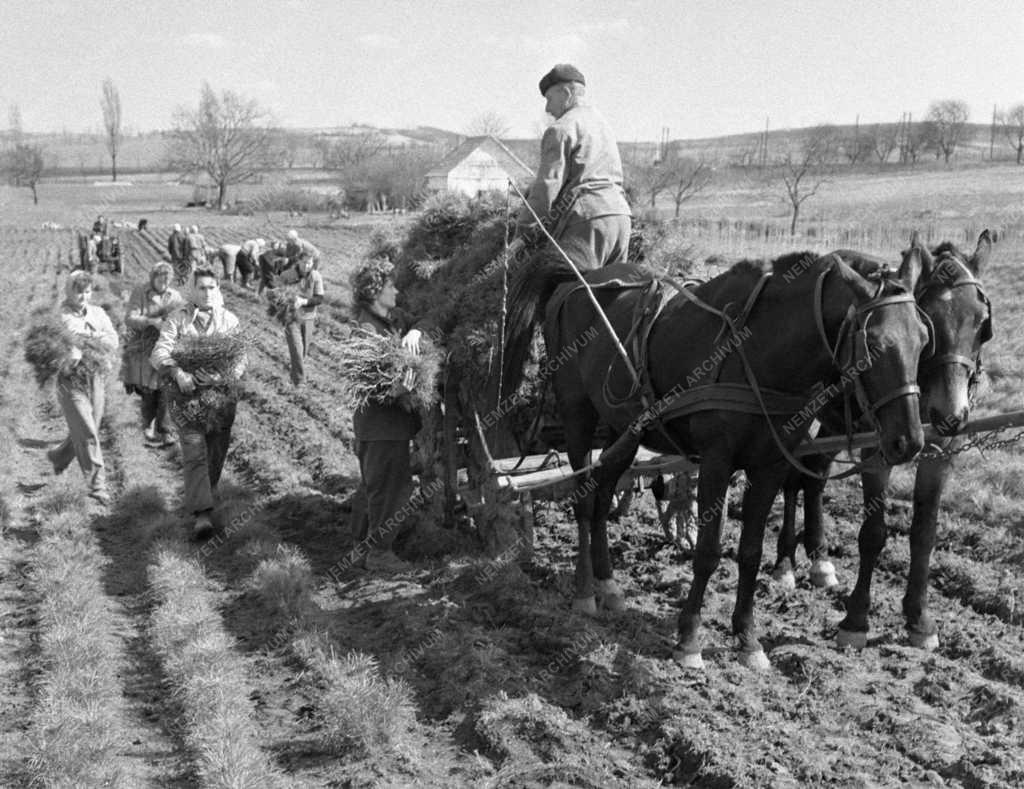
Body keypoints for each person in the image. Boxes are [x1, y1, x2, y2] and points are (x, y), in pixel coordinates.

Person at [151, 268, 245, 539]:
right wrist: (178, 373)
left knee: (216, 453)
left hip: (221, 399)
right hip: (186, 399)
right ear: (192, 290)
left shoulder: (229, 320)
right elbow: (160, 352)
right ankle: (202, 516)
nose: (207, 293)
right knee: (194, 453)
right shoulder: (177, 320)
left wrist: (222, 376)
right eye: (201, 288)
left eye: (211, 288)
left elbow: (241, 358)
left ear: (218, 289)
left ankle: (206, 493)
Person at [349, 259, 429, 572]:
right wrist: (397, 389)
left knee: (372, 486)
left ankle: (359, 548)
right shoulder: (366, 332)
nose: (396, 290)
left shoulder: (393, 320)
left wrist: (417, 332)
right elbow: (367, 384)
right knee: (391, 490)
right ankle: (379, 553)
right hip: (381, 426)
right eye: (391, 286)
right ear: (375, 291)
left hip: (388, 426)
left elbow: (421, 318)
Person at [517, 64, 632, 270]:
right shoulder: (602, 125)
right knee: (608, 296)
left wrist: (523, 232)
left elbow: (546, 187)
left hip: (587, 221)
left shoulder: (561, 129)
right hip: (621, 217)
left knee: (564, 294)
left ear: (566, 93)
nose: (548, 109)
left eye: (549, 99)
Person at [46, 271, 120, 505]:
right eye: (78, 291)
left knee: (90, 429)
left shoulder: (98, 313)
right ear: (68, 291)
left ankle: (58, 457)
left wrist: (88, 338)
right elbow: (53, 346)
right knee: (87, 430)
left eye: (87, 291)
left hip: (95, 376)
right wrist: (76, 346)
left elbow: (113, 340)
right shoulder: (58, 316)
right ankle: (97, 486)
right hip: (70, 379)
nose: (83, 296)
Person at [122, 261, 184, 447]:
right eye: (160, 281)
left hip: (167, 346)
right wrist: (151, 321)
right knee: (149, 390)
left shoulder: (175, 296)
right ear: (152, 278)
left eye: (167, 281)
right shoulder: (140, 292)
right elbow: (129, 318)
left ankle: (166, 430)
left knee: (167, 387)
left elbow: (184, 317)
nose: (164, 285)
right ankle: (148, 423)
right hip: (144, 346)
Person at [283, 254, 325, 386]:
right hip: (292, 318)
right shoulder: (288, 274)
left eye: (309, 263)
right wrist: (288, 300)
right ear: (299, 261)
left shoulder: (316, 276)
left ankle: (294, 375)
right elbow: (278, 293)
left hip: (308, 318)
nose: (307, 265)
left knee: (303, 351)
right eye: (304, 262)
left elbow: (319, 299)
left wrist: (304, 301)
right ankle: (299, 382)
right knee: (297, 349)